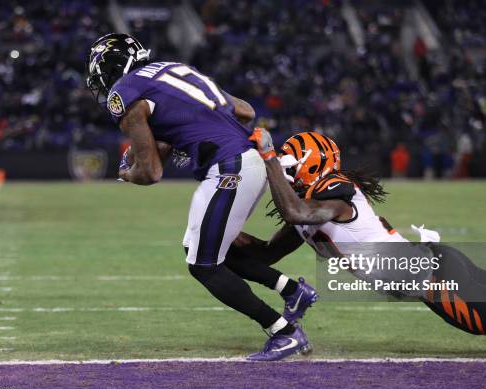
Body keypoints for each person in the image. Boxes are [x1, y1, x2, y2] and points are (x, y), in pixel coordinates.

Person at [86, 33, 317, 361]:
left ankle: (283, 331)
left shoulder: (126, 92)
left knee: (203, 265)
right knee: (200, 248)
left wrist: (125, 172)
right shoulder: (173, 70)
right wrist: (185, 136)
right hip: (250, 162)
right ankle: (293, 291)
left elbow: (150, 172)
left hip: (229, 168)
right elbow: (246, 111)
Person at [241, 129, 486, 351]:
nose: (281, 174)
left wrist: (268, 154)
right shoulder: (308, 210)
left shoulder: (332, 190)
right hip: (435, 266)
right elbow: (267, 255)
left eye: (288, 167)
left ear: (313, 165)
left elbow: (296, 212)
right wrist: (218, 240)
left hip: (437, 281)